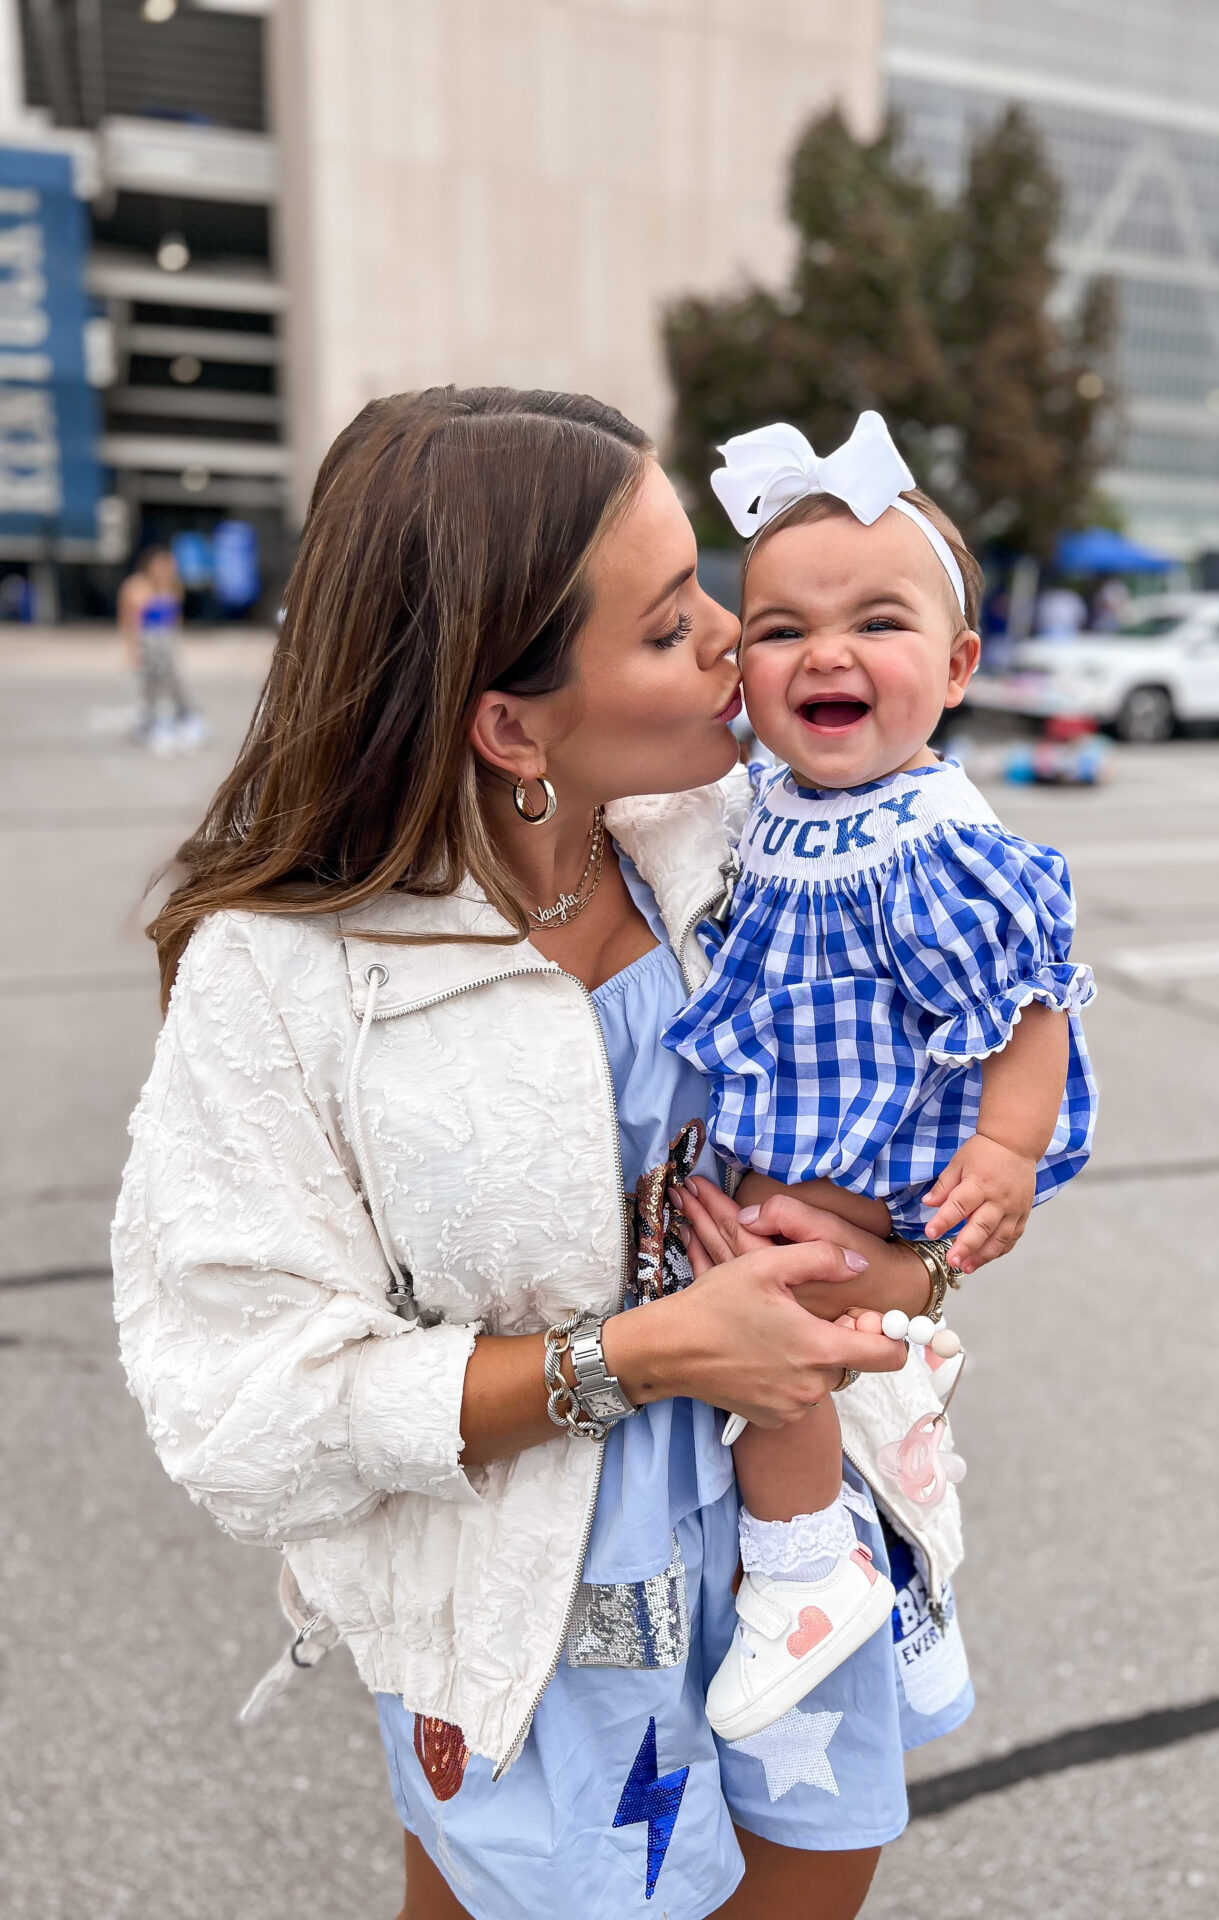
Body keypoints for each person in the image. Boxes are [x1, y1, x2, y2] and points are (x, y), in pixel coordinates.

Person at [112, 388, 976, 1920]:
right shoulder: (286, 973)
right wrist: (636, 1355)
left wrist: (905, 1269)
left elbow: (941, 1134)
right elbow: (247, 1407)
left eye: (705, 584)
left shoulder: (752, 837)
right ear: (510, 723)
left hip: (802, 1539)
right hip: (537, 1604)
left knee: (817, 1877)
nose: (734, 639)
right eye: (667, 628)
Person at [665, 413, 1098, 1741]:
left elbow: (1034, 1009)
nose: (827, 653)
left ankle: (809, 1575)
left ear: (960, 665)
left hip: (873, 1158)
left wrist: (1010, 1154)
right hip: (791, 1142)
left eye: (878, 623)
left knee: (778, 1328)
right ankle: (904, 1587)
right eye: (782, 629)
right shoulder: (758, 799)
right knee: (807, 1335)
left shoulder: (933, 832)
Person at [117, 544, 207, 753]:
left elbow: (175, 620)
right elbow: (128, 621)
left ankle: (183, 716)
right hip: (147, 642)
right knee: (151, 682)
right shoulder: (135, 587)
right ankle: (151, 722)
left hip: (167, 641)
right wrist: (131, 649)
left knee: (176, 680)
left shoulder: (173, 587)